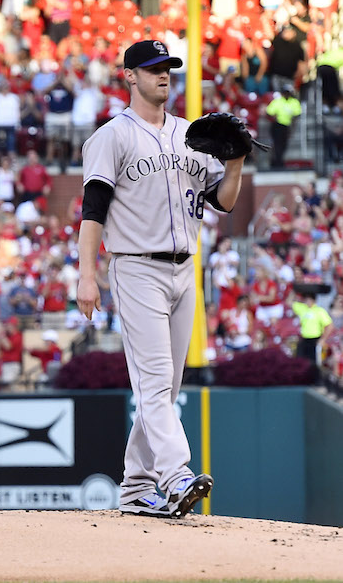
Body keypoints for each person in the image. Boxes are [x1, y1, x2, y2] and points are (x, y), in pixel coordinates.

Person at [76, 39, 247, 518]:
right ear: (129, 76)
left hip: (183, 268)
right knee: (153, 384)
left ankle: (135, 488)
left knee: (166, 390)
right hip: (136, 267)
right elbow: (92, 213)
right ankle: (176, 476)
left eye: (168, 67)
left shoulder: (191, 134)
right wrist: (87, 275)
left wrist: (234, 162)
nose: (163, 75)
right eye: (152, 68)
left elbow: (224, 201)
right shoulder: (112, 136)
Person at [265, 85, 302, 169]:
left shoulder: (294, 102)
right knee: (277, 144)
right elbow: (269, 112)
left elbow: (297, 114)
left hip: (287, 126)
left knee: (284, 144)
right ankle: (277, 162)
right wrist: (274, 117)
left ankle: (279, 160)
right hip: (277, 125)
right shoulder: (277, 101)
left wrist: (292, 125)